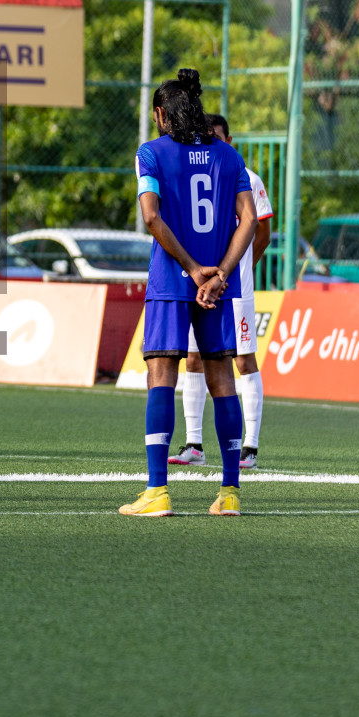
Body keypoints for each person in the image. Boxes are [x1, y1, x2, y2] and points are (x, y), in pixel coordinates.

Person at [121, 69, 256, 518]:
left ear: (161, 114)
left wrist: (192, 269)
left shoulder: (150, 153)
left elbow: (151, 217)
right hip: (218, 284)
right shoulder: (229, 156)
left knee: (161, 377)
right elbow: (250, 220)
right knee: (222, 381)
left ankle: (158, 491)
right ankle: (230, 493)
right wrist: (219, 275)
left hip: (172, 280)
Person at [169, 113, 272, 469]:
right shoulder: (198, 174)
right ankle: (194, 444)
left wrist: (240, 271)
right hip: (199, 285)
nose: (211, 141)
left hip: (234, 289)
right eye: (206, 135)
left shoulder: (248, 178)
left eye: (216, 135)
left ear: (228, 139)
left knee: (242, 360)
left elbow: (261, 233)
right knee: (194, 358)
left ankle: (251, 447)